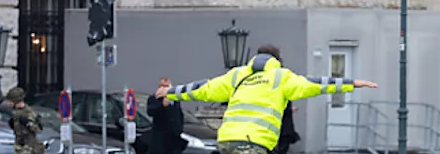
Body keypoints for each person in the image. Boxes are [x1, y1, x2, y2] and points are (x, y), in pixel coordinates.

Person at [160, 44, 377, 154]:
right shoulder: (281, 77)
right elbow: (316, 84)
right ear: (277, 61)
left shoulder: (237, 74)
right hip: (253, 142)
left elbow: (202, 88)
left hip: (226, 141)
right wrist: (352, 83)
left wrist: (172, 92)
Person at [147, 77, 187, 154]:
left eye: (166, 86)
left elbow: (178, 114)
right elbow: (150, 111)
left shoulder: (175, 99)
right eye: (162, 86)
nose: (164, 89)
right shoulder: (153, 98)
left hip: (174, 139)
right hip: (160, 139)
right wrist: (162, 105)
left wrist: (180, 129)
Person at [5, 88, 42, 154]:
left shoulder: (28, 112)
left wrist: (27, 123)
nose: (9, 103)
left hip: (29, 147)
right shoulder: (16, 113)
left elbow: (38, 129)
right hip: (19, 146)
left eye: (10, 101)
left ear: (16, 101)